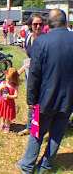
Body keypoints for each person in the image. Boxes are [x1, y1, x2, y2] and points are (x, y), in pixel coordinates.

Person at [15, 9, 73, 174]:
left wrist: (31, 100)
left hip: (46, 97)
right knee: (57, 134)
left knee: (37, 133)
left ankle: (27, 165)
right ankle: (45, 166)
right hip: (69, 98)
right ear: (65, 21)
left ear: (48, 24)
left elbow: (34, 74)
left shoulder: (42, 42)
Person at [17, 14, 44, 136]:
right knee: (31, 100)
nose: (38, 26)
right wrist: (18, 73)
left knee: (42, 101)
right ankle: (29, 126)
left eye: (41, 24)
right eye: (35, 24)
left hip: (43, 75)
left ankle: (42, 127)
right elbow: (29, 60)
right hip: (30, 75)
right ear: (30, 25)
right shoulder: (28, 39)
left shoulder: (46, 39)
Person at [0, 67, 19, 133]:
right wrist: (0, 88)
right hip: (2, 102)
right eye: (7, 78)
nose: (8, 80)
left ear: (14, 79)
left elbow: (16, 95)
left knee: (8, 114)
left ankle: (7, 125)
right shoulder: (3, 83)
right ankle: (2, 123)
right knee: (3, 113)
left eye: (10, 79)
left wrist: (9, 96)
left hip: (10, 103)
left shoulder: (14, 86)